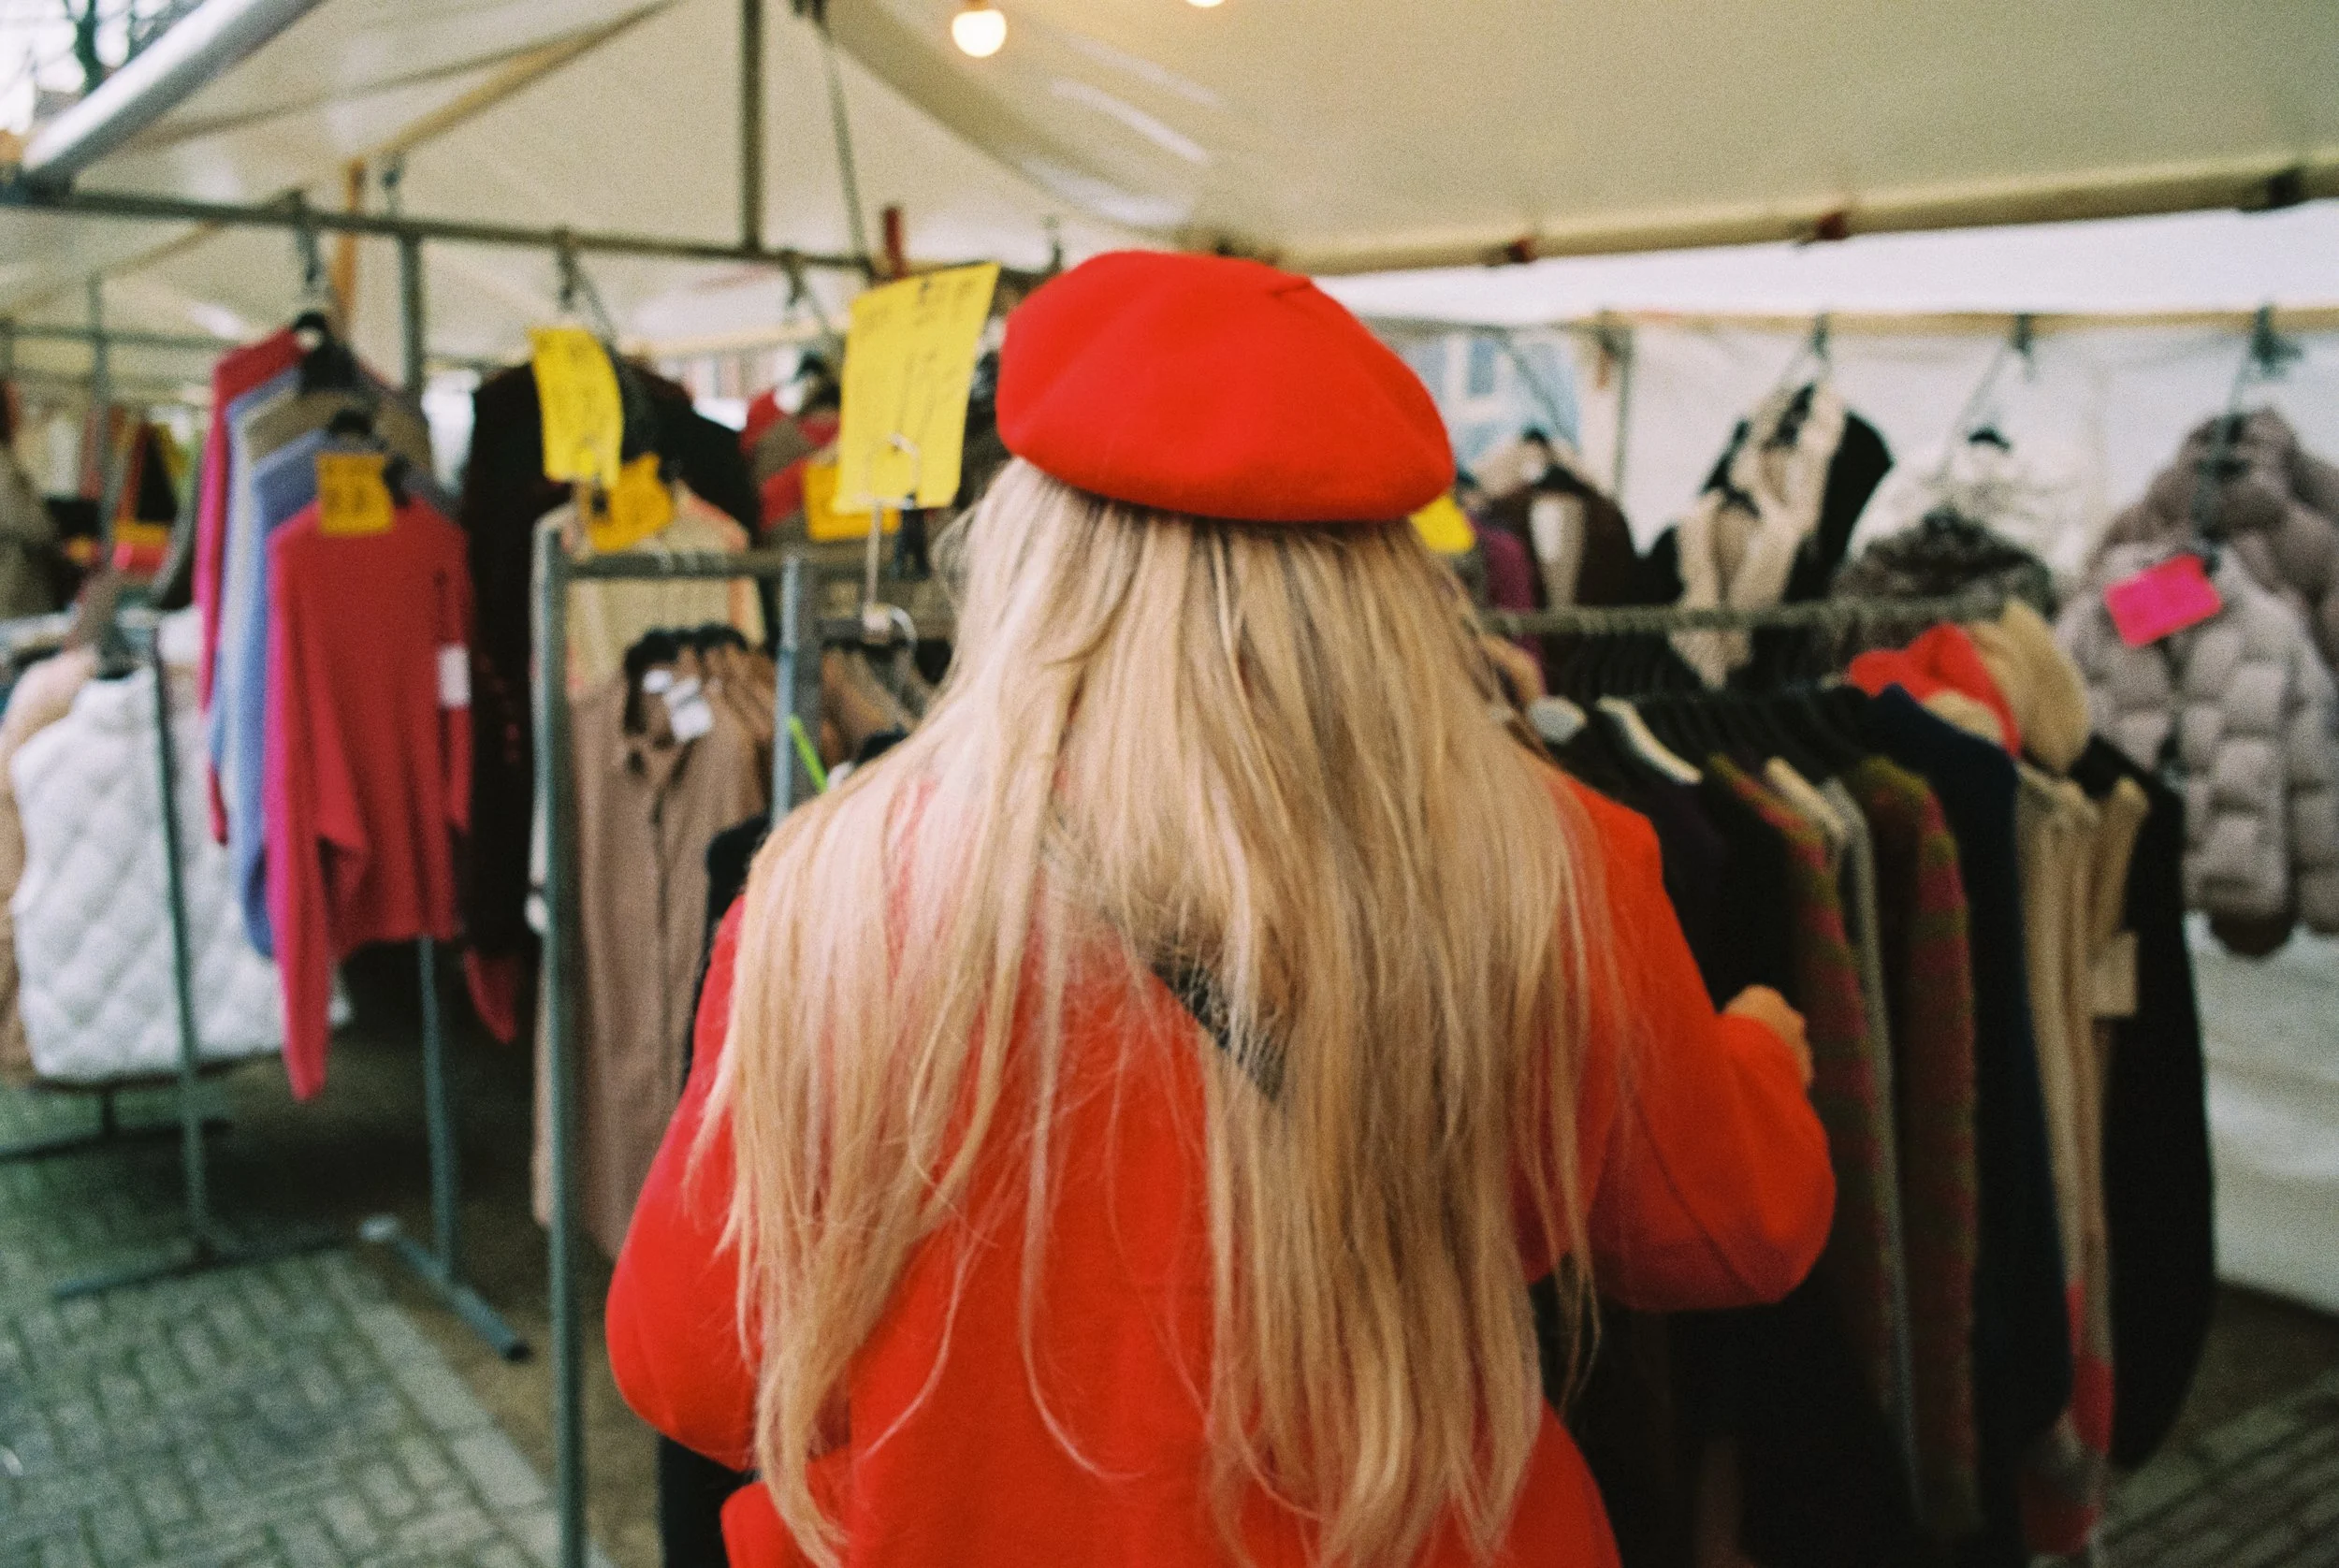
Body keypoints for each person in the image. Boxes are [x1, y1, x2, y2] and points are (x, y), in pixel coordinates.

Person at [606, 251, 1833, 1568]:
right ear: (1380, 585)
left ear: (1026, 549)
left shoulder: (831, 896)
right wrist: (1764, 1050)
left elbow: (694, 1373)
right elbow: (1730, 1234)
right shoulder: (1543, 866)